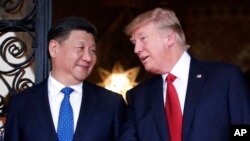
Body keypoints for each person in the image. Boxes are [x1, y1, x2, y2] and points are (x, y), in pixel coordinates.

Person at [119, 7, 250, 141]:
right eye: (134, 43)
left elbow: (243, 131)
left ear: (169, 38)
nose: (136, 49)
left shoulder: (225, 78)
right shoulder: (138, 97)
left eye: (143, 39)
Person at [4, 17, 126, 141]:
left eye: (92, 50)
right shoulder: (21, 104)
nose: (88, 57)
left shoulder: (111, 104)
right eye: (80, 48)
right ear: (54, 49)